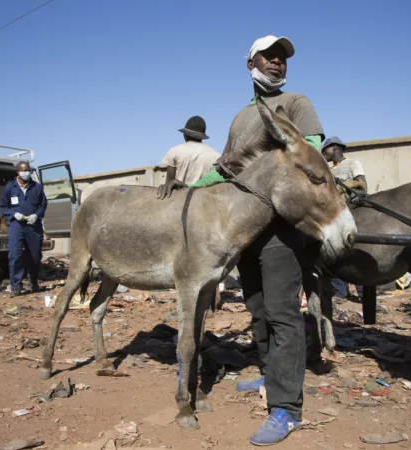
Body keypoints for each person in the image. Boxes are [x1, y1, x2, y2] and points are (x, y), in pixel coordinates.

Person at [159, 35, 324, 446]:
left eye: (282, 58)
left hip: (282, 228)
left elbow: (312, 152)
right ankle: (270, 375)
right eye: (269, 56)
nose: (277, 63)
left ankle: (286, 408)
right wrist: (189, 190)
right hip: (241, 230)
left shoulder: (297, 104)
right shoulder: (240, 119)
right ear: (251, 62)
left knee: (284, 313)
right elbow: (225, 171)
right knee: (257, 308)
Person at [322, 136, 366, 299]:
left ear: (334, 148)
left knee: (355, 253)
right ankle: (340, 292)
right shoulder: (329, 170)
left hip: (349, 214)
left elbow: (362, 186)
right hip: (333, 218)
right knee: (335, 255)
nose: (323, 153)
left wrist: (343, 186)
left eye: (324, 149)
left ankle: (362, 292)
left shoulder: (353, 163)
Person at [0, 161, 48, 297]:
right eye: (24, 170)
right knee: (15, 255)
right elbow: (3, 206)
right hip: (16, 225)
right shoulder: (10, 187)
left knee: (35, 256)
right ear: (18, 172)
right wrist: (14, 214)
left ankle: (34, 282)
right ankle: (16, 286)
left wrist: (36, 215)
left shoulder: (37, 187)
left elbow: (43, 205)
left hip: (33, 226)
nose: (27, 173)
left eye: (28, 171)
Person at [162, 116, 220, 186]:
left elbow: (169, 184)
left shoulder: (174, 151)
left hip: (179, 196)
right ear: (202, 137)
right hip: (204, 196)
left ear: (184, 136)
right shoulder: (216, 156)